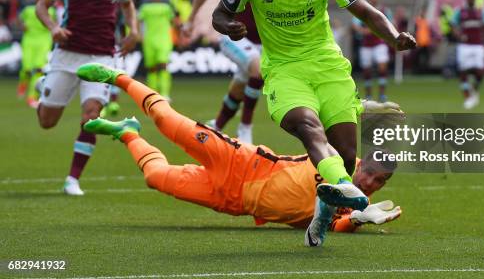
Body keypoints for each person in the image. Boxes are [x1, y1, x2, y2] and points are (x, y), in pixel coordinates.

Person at [211, 0, 416, 246]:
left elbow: (364, 10)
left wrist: (394, 37)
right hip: (284, 71)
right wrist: (228, 26)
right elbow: (219, 14)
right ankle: (349, 191)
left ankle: (321, 217)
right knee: (309, 126)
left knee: (348, 154)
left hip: (329, 69)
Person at [77, 63, 402, 232]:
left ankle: (128, 133)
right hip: (240, 161)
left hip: (233, 199)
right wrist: (364, 106)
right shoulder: (337, 159)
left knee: (155, 178)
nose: (371, 184)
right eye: (371, 174)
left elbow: (337, 224)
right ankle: (118, 77)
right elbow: (328, 113)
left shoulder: (352, 205)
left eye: (380, 183)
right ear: (360, 163)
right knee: (166, 122)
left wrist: (359, 220)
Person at [34, 0, 139, 196]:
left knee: (91, 117)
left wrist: (134, 31)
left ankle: (72, 179)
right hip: (67, 54)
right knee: (47, 121)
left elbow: (128, 6)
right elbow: (41, 7)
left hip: (102, 55)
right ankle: (43, 88)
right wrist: (54, 28)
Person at [185, 0, 267, 143]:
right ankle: (245, 128)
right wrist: (192, 17)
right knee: (256, 69)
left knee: (242, 85)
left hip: (265, 41)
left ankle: (217, 126)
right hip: (234, 37)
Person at [451, 0, 484, 110]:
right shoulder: (460, 11)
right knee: (463, 72)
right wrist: (459, 35)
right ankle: (468, 98)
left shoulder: (481, 11)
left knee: (480, 72)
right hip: (464, 46)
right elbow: (453, 25)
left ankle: (474, 89)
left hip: (478, 45)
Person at [18, 0, 56, 108]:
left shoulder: (51, 11)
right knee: (27, 69)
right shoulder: (28, 9)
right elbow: (19, 19)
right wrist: (22, 26)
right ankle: (23, 83)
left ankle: (32, 97)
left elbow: (55, 24)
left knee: (39, 68)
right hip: (28, 41)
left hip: (44, 41)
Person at [138, 0, 177, 99]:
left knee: (163, 64)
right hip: (149, 39)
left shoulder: (168, 3)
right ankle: (153, 94)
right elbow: (138, 21)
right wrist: (138, 34)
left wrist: (180, 35)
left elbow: (174, 21)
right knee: (152, 68)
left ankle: (165, 94)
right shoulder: (144, 3)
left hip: (164, 38)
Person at [351, 0, 392, 101]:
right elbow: (354, 25)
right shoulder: (364, 9)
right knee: (367, 70)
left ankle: (382, 94)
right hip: (366, 45)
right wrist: (363, 31)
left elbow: (390, 24)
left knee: (382, 67)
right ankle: (369, 95)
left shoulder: (384, 10)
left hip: (379, 43)